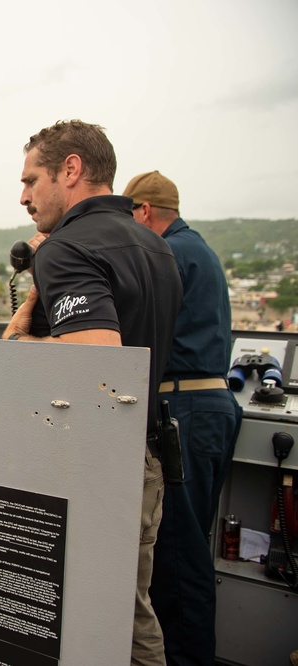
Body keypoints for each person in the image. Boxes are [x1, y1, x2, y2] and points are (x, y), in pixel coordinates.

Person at [2, 120, 181, 665]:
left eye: (33, 179)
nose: (24, 196)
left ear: (71, 170)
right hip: (144, 461)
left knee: (65, 618)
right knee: (131, 614)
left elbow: (99, 366)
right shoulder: (156, 246)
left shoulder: (66, 250)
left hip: (93, 469)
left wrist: (16, 343)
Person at [124, 170, 243, 665]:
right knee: (190, 546)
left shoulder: (168, 254)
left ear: (145, 212)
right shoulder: (200, 251)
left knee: (176, 557)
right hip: (212, 404)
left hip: (186, 408)